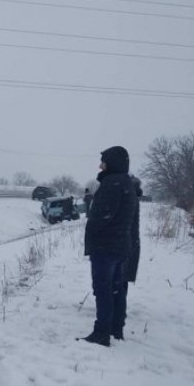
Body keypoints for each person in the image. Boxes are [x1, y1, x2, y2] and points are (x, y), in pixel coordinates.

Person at [81, 146, 137, 347]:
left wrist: (92, 232)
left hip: (106, 247)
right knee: (115, 288)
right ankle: (116, 328)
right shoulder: (125, 182)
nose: (100, 165)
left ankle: (101, 333)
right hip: (119, 245)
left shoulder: (112, 183)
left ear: (111, 162)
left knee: (103, 289)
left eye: (103, 161)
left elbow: (101, 216)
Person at [112, 176, 143, 340]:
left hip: (126, 245)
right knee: (121, 283)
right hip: (130, 244)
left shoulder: (130, 200)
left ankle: (117, 322)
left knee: (118, 283)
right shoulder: (134, 198)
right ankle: (118, 317)